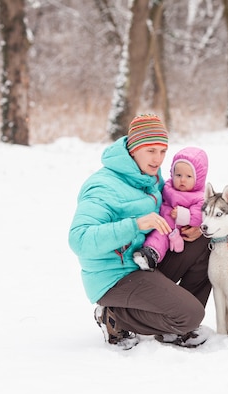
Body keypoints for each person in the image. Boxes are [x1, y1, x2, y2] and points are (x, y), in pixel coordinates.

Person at [68, 114, 211, 350]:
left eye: (163, 151)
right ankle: (113, 315)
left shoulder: (150, 176)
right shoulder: (104, 186)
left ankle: (174, 324)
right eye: (151, 150)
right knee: (191, 315)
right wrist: (135, 225)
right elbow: (79, 239)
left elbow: (174, 205)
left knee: (204, 242)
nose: (158, 159)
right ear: (133, 149)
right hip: (114, 277)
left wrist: (193, 225)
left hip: (145, 261)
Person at [133, 146, 208, 271]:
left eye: (188, 176)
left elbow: (198, 216)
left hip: (174, 227)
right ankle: (145, 252)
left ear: (198, 178)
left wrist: (183, 215)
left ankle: (151, 255)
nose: (182, 180)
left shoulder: (199, 197)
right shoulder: (168, 185)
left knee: (160, 238)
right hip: (160, 219)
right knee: (156, 233)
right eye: (178, 175)